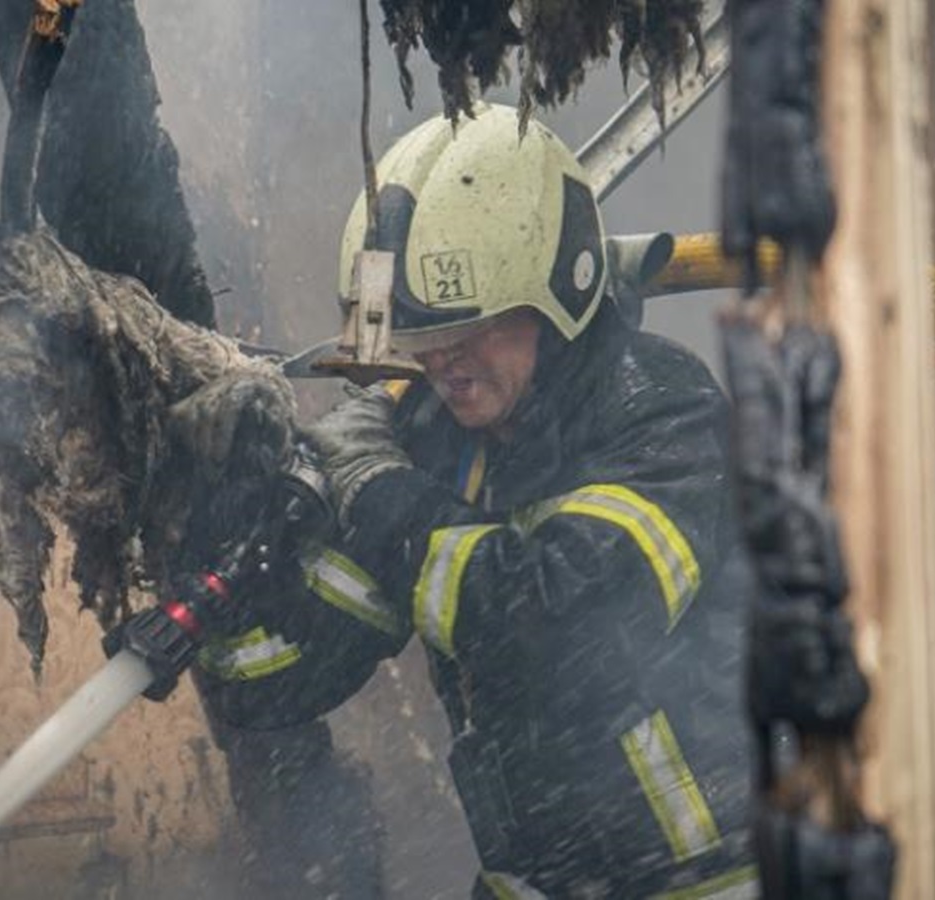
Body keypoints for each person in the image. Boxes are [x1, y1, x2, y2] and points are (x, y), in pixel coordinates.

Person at [174, 103, 754, 898]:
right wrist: (229, 504)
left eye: (472, 326)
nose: (445, 361)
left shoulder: (660, 409)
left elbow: (558, 637)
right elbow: (271, 681)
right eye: (423, 337)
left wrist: (377, 489)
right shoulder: (441, 448)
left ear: (561, 294)